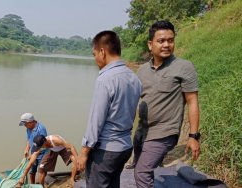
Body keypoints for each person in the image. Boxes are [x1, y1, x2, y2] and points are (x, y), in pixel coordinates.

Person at [133, 20, 201, 188]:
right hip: (142, 131)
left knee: (142, 172)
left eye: (170, 40)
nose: (166, 45)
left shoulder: (184, 67)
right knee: (140, 167)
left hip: (164, 132)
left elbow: (192, 102)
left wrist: (193, 137)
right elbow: (132, 99)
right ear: (150, 44)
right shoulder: (142, 70)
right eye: (161, 41)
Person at [77, 30, 142, 188]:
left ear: (102, 51)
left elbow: (96, 120)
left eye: (94, 55)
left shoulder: (105, 79)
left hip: (106, 151)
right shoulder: (134, 78)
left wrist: (84, 153)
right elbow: (131, 114)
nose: (95, 59)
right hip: (125, 147)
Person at [19, 112, 47, 184]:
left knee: (41, 170)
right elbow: (29, 139)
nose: (25, 126)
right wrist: (27, 149)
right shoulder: (28, 128)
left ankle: (41, 186)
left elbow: (43, 144)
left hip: (42, 153)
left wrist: (33, 155)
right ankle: (32, 185)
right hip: (33, 151)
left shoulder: (41, 129)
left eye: (25, 124)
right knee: (32, 171)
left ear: (31, 122)